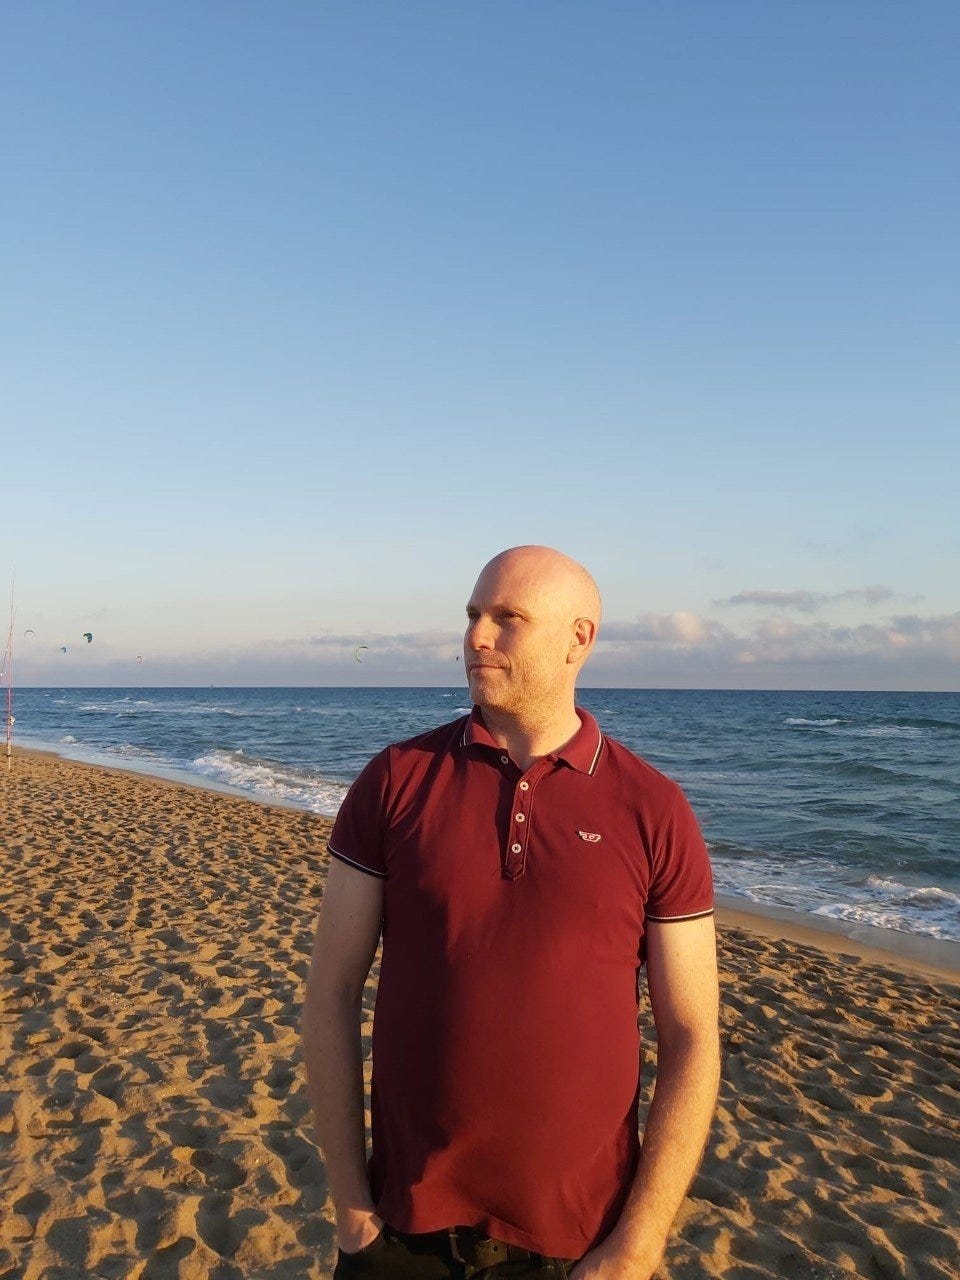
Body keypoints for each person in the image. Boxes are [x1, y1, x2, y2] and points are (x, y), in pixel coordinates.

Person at [302, 546, 720, 1280]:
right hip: (401, 1234)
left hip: (581, 1245)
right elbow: (330, 991)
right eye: (471, 615)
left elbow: (691, 1035)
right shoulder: (396, 781)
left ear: (578, 639)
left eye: (507, 619)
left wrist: (641, 1242)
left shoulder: (654, 810)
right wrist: (351, 1207)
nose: (476, 637)